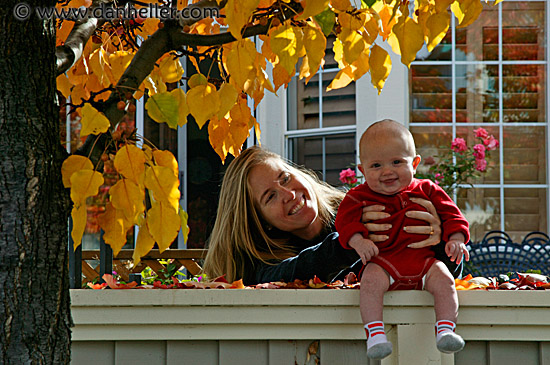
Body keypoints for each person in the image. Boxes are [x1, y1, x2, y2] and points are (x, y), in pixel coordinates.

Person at [203, 145, 459, 288]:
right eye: (269, 197)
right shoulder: (260, 263)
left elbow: (448, 276)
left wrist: (438, 242)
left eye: (285, 178)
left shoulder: (360, 208)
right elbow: (283, 277)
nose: (288, 194)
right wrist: (350, 243)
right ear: (259, 221)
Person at [335, 119, 470, 360]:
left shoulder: (428, 190)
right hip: (384, 262)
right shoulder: (358, 196)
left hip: (424, 261)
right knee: (369, 284)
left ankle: (446, 329)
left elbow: (453, 216)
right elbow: (344, 222)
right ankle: (375, 335)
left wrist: (456, 239)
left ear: (415, 163)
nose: (387, 171)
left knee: (446, 281)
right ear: (363, 171)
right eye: (376, 165)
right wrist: (358, 241)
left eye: (397, 162)